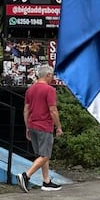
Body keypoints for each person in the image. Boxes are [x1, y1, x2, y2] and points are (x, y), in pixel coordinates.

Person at [17, 64, 64, 192]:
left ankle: (46, 181)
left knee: (43, 154)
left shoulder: (30, 90)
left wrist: (27, 127)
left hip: (32, 125)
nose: (53, 78)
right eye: (52, 75)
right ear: (48, 75)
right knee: (45, 155)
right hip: (44, 125)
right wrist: (58, 126)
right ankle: (26, 175)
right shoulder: (49, 90)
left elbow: (26, 110)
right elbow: (53, 110)